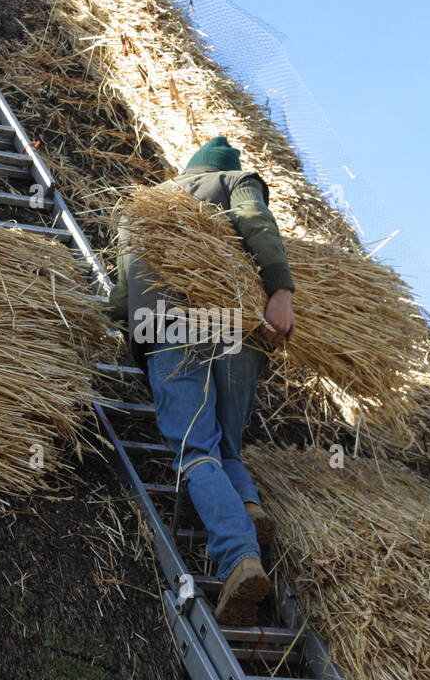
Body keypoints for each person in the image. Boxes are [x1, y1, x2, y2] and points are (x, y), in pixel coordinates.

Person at [108, 137, 295, 626]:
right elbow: (256, 224)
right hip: (237, 332)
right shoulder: (237, 182)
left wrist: (89, 312)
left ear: (189, 170)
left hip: (168, 329)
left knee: (198, 451)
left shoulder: (148, 206)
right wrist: (279, 292)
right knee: (227, 446)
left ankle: (240, 557)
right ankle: (248, 508)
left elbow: (126, 291)